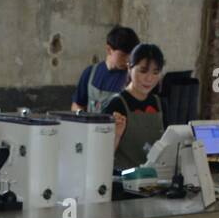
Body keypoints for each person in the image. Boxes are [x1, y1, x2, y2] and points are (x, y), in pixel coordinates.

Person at [107, 43, 165, 171]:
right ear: (129, 68)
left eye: (155, 72)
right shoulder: (116, 104)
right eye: (143, 71)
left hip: (154, 179)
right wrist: (116, 135)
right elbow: (101, 155)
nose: (149, 78)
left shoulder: (159, 103)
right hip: (124, 181)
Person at [71, 25, 140, 113]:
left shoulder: (133, 77)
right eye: (123, 55)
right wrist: (82, 115)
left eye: (131, 56)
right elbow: (77, 104)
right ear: (109, 49)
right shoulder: (90, 73)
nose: (127, 61)